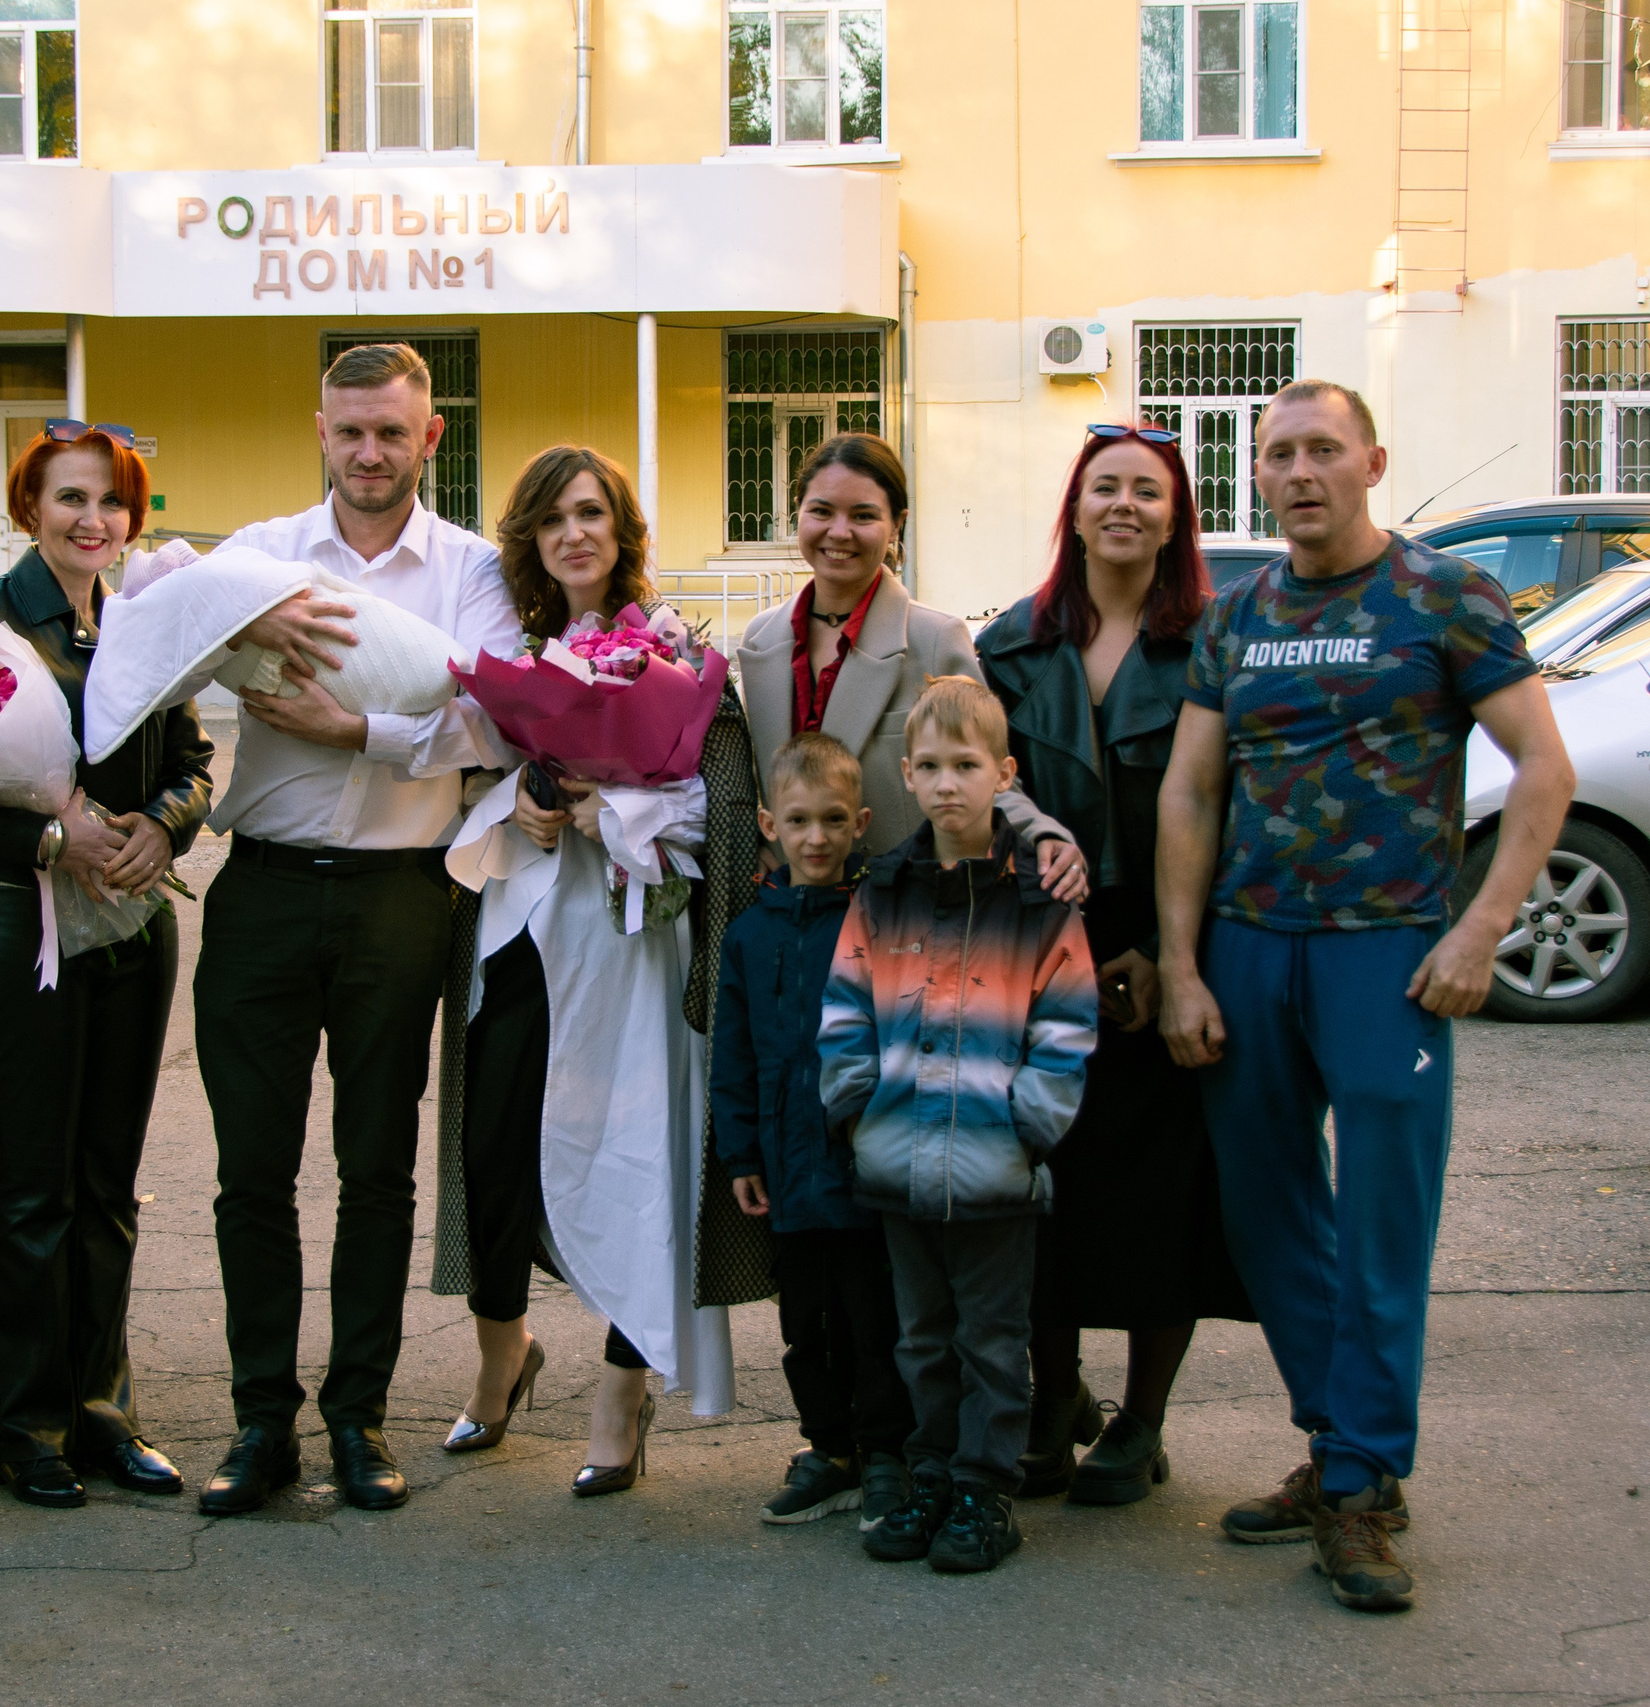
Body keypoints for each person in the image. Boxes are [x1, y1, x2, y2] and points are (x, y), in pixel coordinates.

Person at [1157, 381, 1574, 1613]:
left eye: (1322, 451)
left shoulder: (1443, 596)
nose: (1298, 472)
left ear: (1371, 462)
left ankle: (1361, 1486)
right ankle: (1340, 1448)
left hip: (1385, 955)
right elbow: (1191, 792)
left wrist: (1480, 929)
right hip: (1246, 945)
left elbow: (1542, 768)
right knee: (1268, 1215)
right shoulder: (1237, 617)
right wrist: (1181, 964)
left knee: (1385, 1223)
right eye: (1279, 454)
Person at [192, 343, 525, 1516]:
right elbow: (158, 639)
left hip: (399, 894)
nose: (369, 453)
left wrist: (360, 732)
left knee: (377, 1170)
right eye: (349, 432)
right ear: (320, 433)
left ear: (430, 437)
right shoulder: (261, 557)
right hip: (263, 893)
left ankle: (358, 1417)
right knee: (251, 1176)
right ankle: (257, 1422)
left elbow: (496, 719)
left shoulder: (477, 572)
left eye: (391, 432)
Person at [432, 445, 761, 1496]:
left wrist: (609, 807)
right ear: (529, 541)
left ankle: (623, 1393)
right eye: (551, 519)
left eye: (592, 514)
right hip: (523, 929)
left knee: (635, 1152)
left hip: (630, 942)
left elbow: (724, 800)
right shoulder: (508, 652)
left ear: (620, 532)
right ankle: (501, 1359)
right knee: (491, 1147)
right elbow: (459, 774)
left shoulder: (679, 654)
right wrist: (522, 800)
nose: (574, 534)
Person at [0, 424, 214, 1509]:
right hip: (25, 927)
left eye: (113, 503)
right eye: (71, 498)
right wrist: (51, 841)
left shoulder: (138, 622)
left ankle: (104, 1413)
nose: (94, 520)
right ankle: (27, 1427)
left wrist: (163, 830)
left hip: (133, 923)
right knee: (36, 1189)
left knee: (108, 1187)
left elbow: (191, 758)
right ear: (27, 507)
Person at [976, 425, 1253, 1505]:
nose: (1125, 505)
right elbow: (978, 789)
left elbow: (1234, 814)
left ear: (1177, 514)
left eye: (1148, 489)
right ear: (1074, 509)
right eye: (1105, 488)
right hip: (1037, 949)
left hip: (1168, 941)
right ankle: (1054, 1401)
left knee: (1159, 1195)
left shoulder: (1213, 645)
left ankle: (1141, 1421)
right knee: (1042, 1185)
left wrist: (1172, 951)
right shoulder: (1009, 644)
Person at [823, 676, 1099, 1574]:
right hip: (897, 1162)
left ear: (1003, 773)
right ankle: (932, 1470)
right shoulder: (886, 891)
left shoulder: (1038, 898)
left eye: (967, 765)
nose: (947, 784)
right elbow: (846, 1009)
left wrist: (1028, 1126)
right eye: (930, 767)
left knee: (990, 1336)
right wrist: (860, 1111)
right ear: (905, 774)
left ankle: (986, 1487)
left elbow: (1066, 1025)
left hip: (996, 1167)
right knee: (921, 1335)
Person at [733, 433, 1089, 890]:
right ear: (797, 512)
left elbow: (981, 768)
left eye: (863, 516)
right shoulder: (761, 638)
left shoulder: (935, 638)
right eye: (821, 511)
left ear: (897, 524)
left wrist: (1041, 834)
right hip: (788, 913)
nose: (839, 532)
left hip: (897, 917)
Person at [712, 732, 916, 1530]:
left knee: (877, 1320)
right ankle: (828, 1448)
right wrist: (740, 1153)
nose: (818, 838)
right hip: (786, 1167)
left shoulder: (876, 924)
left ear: (862, 821)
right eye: (799, 821)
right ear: (769, 824)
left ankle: (887, 1453)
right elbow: (733, 1056)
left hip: (864, 1170)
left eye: (834, 819)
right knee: (805, 1325)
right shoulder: (748, 935)